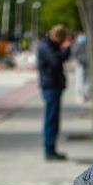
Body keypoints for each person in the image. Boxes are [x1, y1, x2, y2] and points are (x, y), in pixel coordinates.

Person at [37, 25, 72, 161]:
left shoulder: (51, 45)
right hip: (50, 86)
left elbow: (61, 59)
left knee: (54, 119)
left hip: (54, 85)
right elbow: (56, 61)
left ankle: (51, 149)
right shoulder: (45, 46)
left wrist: (65, 50)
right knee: (51, 119)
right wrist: (66, 49)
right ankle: (49, 150)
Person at [72, 33, 88, 103]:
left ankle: (85, 95)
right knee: (80, 80)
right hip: (80, 64)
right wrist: (74, 61)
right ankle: (79, 95)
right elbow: (74, 54)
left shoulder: (86, 44)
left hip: (86, 64)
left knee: (86, 80)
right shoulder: (77, 45)